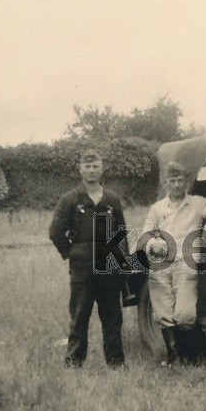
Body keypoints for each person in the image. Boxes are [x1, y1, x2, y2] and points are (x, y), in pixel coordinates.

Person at [140, 161, 206, 366]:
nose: (176, 185)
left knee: (185, 313)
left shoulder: (197, 203)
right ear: (166, 183)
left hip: (185, 262)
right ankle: (175, 357)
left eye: (180, 180)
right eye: (172, 181)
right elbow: (146, 234)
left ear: (186, 182)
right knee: (164, 312)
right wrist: (155, 244)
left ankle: (192, 357)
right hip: (161, 264)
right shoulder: (157, 208)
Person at [48, 149, 129, 369]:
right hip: (83, 268)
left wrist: (124, 265)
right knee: (80, 316)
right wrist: (71, 253)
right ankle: (74, 363)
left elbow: (121, 234)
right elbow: (55, 231)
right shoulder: (71, 199)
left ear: (102, 169)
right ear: (80, 169)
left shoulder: (112, 199)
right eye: (87, 167)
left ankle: (116, 363)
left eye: (95, 167)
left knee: (112, 317)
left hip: (109, 268)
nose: (91, 171)